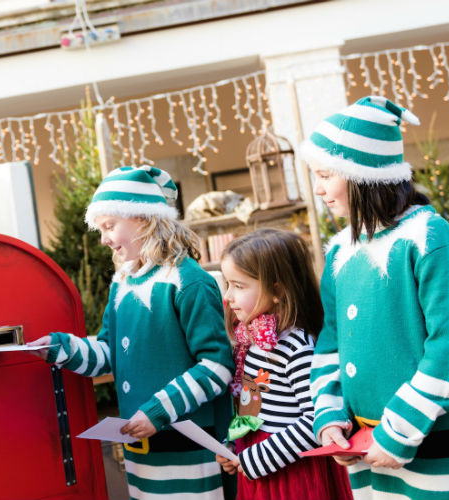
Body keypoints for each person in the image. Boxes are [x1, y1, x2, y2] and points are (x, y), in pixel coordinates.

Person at [302, 95, 449, 499]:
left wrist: (398, 432)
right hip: (368, 455)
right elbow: (331, 345)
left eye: (327, 175)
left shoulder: (430, 238)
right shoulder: (342, 251)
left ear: (360, 173)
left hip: (439, 452)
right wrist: (329, 417)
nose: (320, 188)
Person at [29, 165, 236, 500]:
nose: (104, 238)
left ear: (143, 218)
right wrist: (59, 348)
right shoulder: (122, 282)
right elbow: (109, 353)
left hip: (189, 450)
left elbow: (217, 366)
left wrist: (157, 411)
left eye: (109, 226)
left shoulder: (189, 280)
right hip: (142, 450)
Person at [214, 228, 352, 500]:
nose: (228, 296)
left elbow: (316, 419)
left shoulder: (296, 347)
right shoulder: (251, 340)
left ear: (276, 290)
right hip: (258, 463)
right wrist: (235, 447)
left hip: (291, 476)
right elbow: (254, 407)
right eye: (228, 284)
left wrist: (254, 458)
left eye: (238, 286)